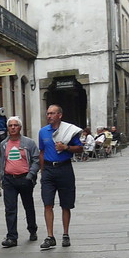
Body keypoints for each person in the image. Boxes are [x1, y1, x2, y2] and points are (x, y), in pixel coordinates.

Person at [37, 104, 83, 249]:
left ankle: (65, 234)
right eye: (48, 113)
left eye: (52, 113)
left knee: (66, 204)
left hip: (64, 168)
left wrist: (66, 148)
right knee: (47, 203)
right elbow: (42, 152)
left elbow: (80, 148)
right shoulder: (43, 132)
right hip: (49, 170)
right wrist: (42, 170)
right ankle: (50, 236)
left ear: (60, 115)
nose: (49, 116)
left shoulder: (69, 131)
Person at [0, 117, 39, 247]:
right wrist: (1, 176)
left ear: (20, 127)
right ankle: (12, 237)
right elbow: (2, 161)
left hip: (24, 179)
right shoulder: (3, 144)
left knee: (28, 206)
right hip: (9, 180)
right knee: (10, 208)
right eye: (11, 125)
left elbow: (36, 160)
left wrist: (30, 175)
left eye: (16, 125)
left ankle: (32, 229)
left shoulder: (29, 143)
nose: (13, 127)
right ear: (8, 128)